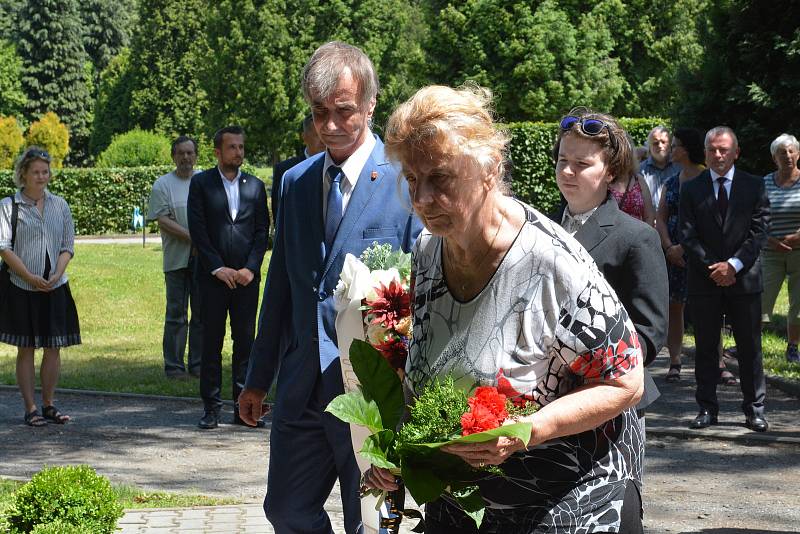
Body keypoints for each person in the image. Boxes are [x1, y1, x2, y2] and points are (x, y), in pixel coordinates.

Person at [367, 85, 646, 532]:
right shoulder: (427, 251)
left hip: (569, 496)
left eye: (440, 178)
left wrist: (529, 430)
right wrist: (399, 454)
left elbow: (625, 384)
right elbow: (431, 373)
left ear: (489, 170)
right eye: (413, 181)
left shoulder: (553, 264)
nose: (420, 200)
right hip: (467, 498)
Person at [238, 42, 422, 533]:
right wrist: (258, 378)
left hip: (374, 392)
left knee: (372, 524)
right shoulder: (294, 182)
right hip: (302, 388)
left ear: (370, 104)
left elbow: (425, 291)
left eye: (344, 111)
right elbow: (281, 287)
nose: (331, 125)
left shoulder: (407, 180)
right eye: (320, 113)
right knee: (286, 509)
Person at [680, 126, 770, 432]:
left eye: (723, 150)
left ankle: (754, 410)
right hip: (705, 282)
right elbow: (687, 235)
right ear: (705, 153)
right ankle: (706, 409)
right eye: (712, 150)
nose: (717, 155)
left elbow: (758, 232)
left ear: (735, 152)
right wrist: (714, 268)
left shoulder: (754, 186)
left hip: (744, 281)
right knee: (706, 347)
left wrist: (732, 266)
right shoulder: (692, 188)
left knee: (749, 347)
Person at [188, 126, 269, 430]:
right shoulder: (201, 184)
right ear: (218, 152)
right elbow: (198, 229)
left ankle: (242, 408)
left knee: (245, 343)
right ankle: (211, 408)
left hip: (247, 280)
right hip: (212, 279)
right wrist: (217, 268)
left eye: (241, 147)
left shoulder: (255, 186)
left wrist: (250, 267)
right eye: (232, 147)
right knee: (211, 342)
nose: (238, 152)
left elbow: (262, 231)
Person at [0, 147, 80, 427]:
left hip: (56, 285)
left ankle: (48, 404)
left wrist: (58, 273)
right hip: (22, 286)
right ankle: (30, 407)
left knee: (53, 347)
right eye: (35, 171)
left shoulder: (61, 204)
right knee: (26, 347)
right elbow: (4, 248)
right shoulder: (8, 206)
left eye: (45, 171)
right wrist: (31, 277)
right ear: (23, 173)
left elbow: (67, 245)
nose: (41, 176)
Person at [147, 136, 203, 379]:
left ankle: (199, 364)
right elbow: (162, 220)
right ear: (173, 156)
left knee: (202, 314)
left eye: (190, 153)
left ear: (196, 156)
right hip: (176, 260)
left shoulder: (204, 181)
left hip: (204, 260)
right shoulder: (163, 185)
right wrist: (194, 238)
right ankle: (174, 366)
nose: (186, 158)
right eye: (181, 153)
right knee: (176, 314)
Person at [656, 128, 706, 382]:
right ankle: (675, 361)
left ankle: (714, 361)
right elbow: (661, 217)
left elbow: (710, 220)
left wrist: (683, 247)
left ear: (685, 150)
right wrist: (668, 247)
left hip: (701, 254)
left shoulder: (707, 179)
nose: (671, 150)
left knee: (706, 309)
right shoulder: (672, 182)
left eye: (674, 145)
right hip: (672, 254)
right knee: (674, 307)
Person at [761, 133, 800, 363]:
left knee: (799, 302)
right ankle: (751, 343)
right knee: (761, 298)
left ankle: (793, 347)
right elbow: (756, 216)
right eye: (781, 152)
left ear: (798, 154)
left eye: (791, 151)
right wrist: (770, 240)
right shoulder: (765, 182)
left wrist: (796, 237)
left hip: (799, 251)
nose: (787, 156)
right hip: (771, 251)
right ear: (774, 158)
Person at [271, 114, 325, 225]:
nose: (323, 141)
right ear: (304, 137)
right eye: (317, 135)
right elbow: (279, 214)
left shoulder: (338, 167)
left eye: (325, 134)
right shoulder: (285, 170)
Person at [640, 126, 681, 209]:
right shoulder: (640, 170)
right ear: (649, 147)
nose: (660, 145)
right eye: (655, 143)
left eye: (663, 142)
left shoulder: (680, 167)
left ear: (670, 145)